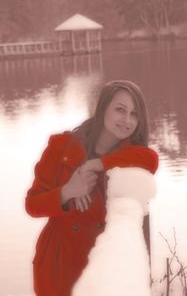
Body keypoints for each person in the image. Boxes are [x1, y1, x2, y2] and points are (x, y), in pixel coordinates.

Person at [25, 80, 159, 296]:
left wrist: (96, 164)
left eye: (134, 114)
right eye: (120, 110)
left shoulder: (133, 154)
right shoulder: (60, 146)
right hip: (58, 265)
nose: (127, 120)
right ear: (102, 108)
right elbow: (32, 205)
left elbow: (151, 160)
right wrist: (68, 191)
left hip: (99, 262)